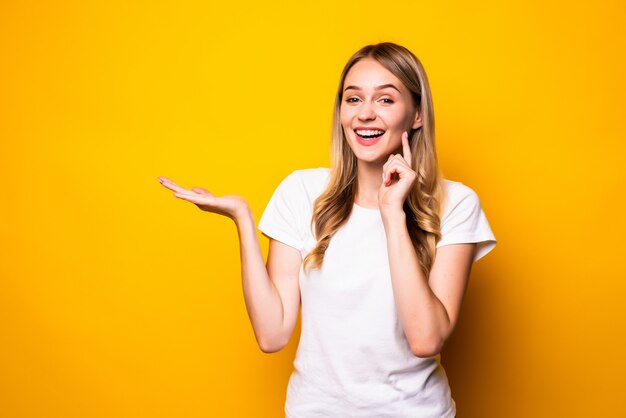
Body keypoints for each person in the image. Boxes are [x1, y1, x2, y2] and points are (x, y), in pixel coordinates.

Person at [158, 42, 496, 418]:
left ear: (416, 115)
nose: (365, 114)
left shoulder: (455, 204)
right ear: (340, 112)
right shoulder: (302, 193)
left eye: (385, 100)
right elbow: (272, 335)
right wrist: (241, 218)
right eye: (353, 100)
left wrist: (392, 213)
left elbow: (426, 338)